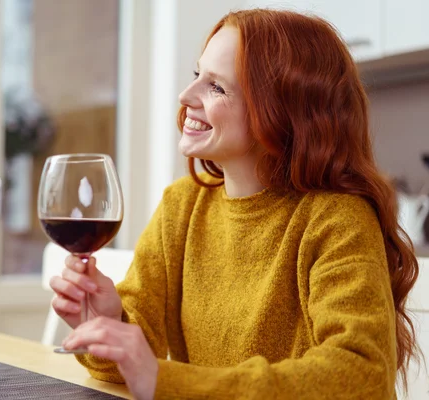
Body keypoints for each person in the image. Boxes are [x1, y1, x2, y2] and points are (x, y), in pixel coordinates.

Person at [48, 8, 420, 400]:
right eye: (197, 76)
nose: (186, 96)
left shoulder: (336, 219)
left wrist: (170, 381)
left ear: (282, 112)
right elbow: (140, 360)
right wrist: (111, 324)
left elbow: (361, 374)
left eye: (216, 87)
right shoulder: (183, 206)